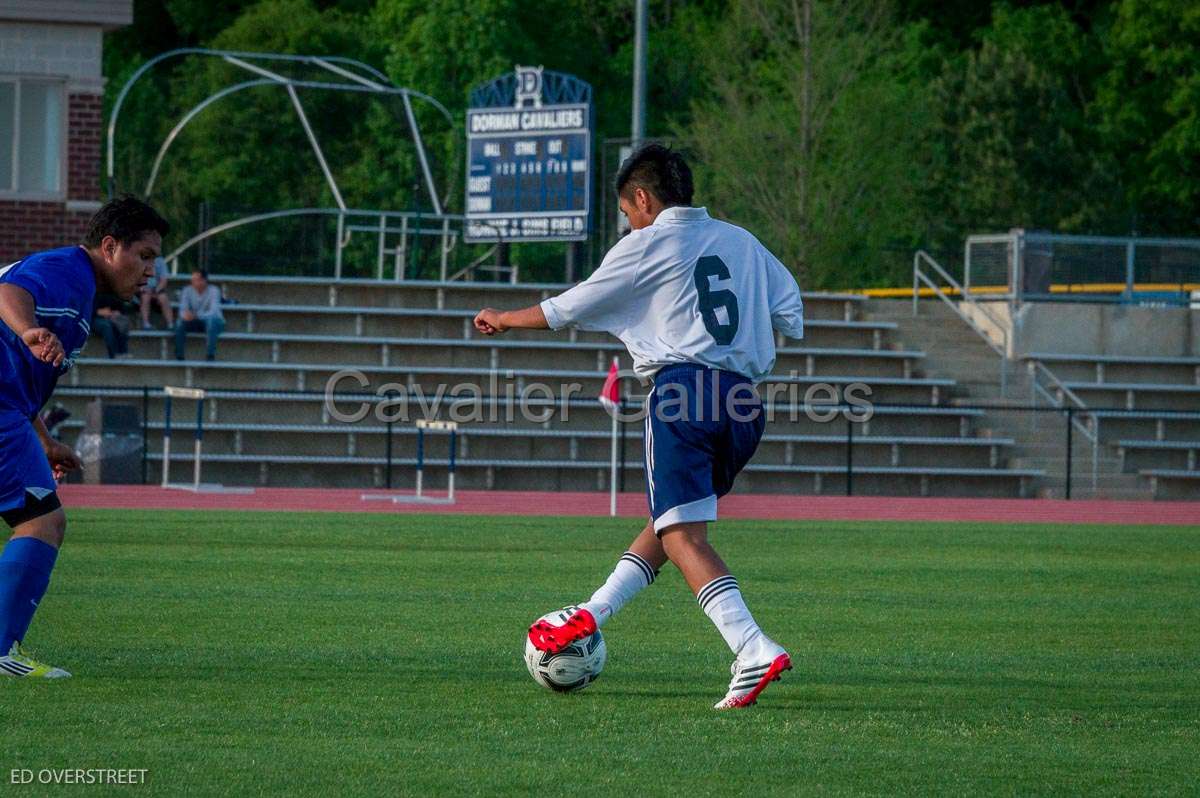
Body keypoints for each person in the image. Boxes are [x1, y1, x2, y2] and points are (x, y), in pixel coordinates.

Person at [474, 144, 805, 710]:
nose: (627, 222)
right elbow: (789, 312)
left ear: (643, 198)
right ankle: (592, 613)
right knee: (670, 524)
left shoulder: (646, 243)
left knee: (684, 537)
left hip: (682, 394)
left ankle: (751, 647)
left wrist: (504, 318)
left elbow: (569, 307)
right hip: (746, 403)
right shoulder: (743, 241)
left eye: (627, 211)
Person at [0, 195, 169, 678]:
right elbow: (8, 292)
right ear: (110, 246)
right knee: (42, 523)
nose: (150, 271)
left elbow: (19, 377)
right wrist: (31, 330)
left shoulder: (79, 290)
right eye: (145, 256)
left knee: (37, 521)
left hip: (11, 410)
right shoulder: (68, 271)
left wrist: (44, 441)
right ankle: (1, 650)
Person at [174, 269, 224, 361]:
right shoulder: (187, 290)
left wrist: (196, 315)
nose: (192, 282)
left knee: (211, 322)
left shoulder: (214, 290)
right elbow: (182, 309)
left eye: (196, 279)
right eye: (192, 279)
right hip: (194, 321)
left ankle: (210, 355)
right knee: (179, 323)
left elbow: (213, 311)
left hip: (214, 322)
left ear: (204, 280)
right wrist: (185, 315)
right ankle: (179, 355)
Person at [92, 292, 133, 359]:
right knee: (106, 325)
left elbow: (121, 308)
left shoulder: (113, 291)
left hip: (110, 317)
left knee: (123, 321)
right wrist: (97, 312)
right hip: (94, 318)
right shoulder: (92, 289)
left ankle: (123, 352)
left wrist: (117, 312)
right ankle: (114, 353)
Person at [139, 255, 174, 330]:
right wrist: (144, 289)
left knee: (163, 298)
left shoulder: (160, 261)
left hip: (156, 289)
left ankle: (170, 324)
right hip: (143, 289)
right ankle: (146, 324)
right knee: (145, 297)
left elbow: (164, 280)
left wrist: (156, 291)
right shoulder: (139, 260)